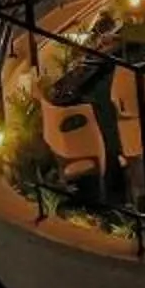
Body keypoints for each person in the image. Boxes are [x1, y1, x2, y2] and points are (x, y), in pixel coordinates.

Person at [43, 11, 126, 195]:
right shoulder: (89, 63)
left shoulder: (90, 58)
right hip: (90, 120)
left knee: (110, 125)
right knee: (110, 131)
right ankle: (112, 185)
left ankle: (113, 177)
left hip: (85, 113)